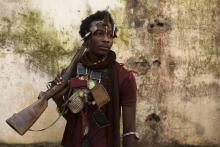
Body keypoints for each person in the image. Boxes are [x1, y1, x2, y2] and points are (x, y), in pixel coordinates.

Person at [52, 10, 138, 147]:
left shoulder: (124, 76)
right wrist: (56, 95)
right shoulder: (72, 71)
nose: (106, 39)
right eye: (99, 34)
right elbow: (71, 117)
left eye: (110, 35)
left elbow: (130, 132)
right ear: (87, 39)